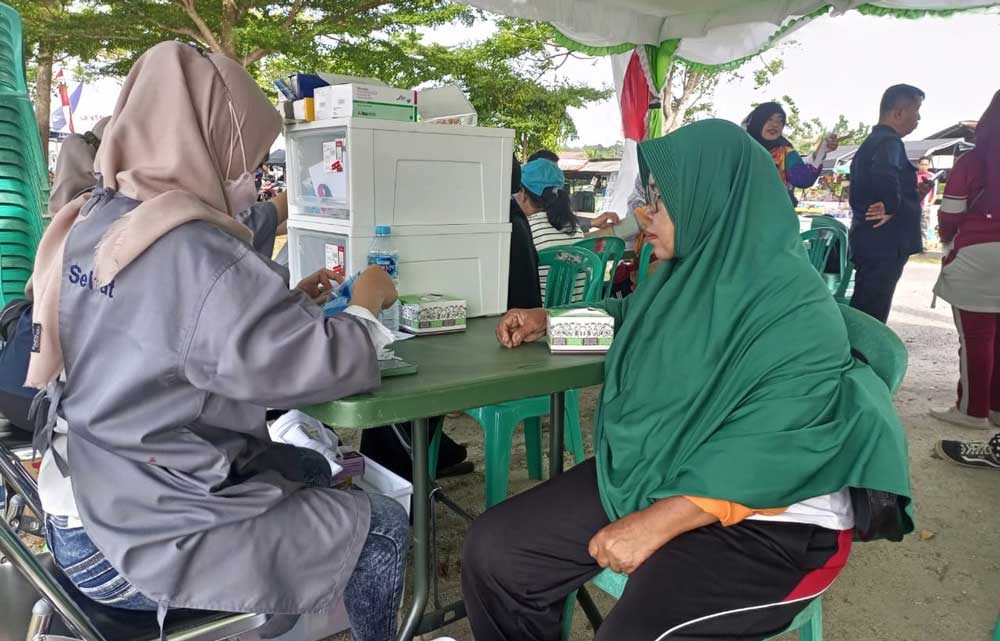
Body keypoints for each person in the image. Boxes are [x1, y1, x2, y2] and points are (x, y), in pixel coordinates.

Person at [462, 120, 913, 641]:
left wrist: (658, 521)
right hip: (666, 468)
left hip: (775, 519)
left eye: (661, 200)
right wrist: (552, 321)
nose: (642, 213)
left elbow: (772, 443)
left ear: (716, 201)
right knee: (495, 552)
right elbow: (631, 317)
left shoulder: (794, 309)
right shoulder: (687, 274)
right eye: (646, 196)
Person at [28, 42, 408, 641]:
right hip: (134, 545)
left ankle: (278, 608)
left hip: (83, 501)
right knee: (381, 524)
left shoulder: (98, 218)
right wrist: (366, 303)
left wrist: (292, 307)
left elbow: (170, 334)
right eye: (246, 160)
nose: (253, 181)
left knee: (309, 466)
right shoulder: (194, 251)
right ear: (206, 142)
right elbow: (326, 365)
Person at [929, 91, 1000, 431]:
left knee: (976, 336)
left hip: (977, 252)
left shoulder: (972, 161)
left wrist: (946, 239)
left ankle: (973, 411)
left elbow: (951, 213)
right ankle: (997, 408)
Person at [848, 84, 930, 323]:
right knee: (872, 308)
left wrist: (913, 194)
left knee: (867, 302)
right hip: (885, 241)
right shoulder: (889, 142)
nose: (919, 118)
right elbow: (884, 172)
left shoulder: (875, 141)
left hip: (873, 240)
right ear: (898, 113)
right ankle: (863, 356)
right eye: (917, 111)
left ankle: (860, 354)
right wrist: (891, 204)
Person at [744, 102, 840, 204]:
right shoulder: (741, 148)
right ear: (758, 121)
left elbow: (803, 180)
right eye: (769, 119)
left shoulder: (786, 153)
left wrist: (821, 151)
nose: (775, 124)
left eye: (780, 121)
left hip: (774, 213)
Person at [516, 159, 585, 300]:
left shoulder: (525, 230)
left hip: (538, 317)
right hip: (577, 313)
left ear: (523, 193)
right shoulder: (575, 228)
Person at [916, 156, 937, 244]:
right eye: (922, 164)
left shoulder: (932, 176)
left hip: (925, 206)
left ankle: (923, 245)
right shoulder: (913, 175)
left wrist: (930, 204)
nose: (924, 166)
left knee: (924, 226)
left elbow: (935, 192)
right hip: (914, 204)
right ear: (918, 165)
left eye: (926, 165)